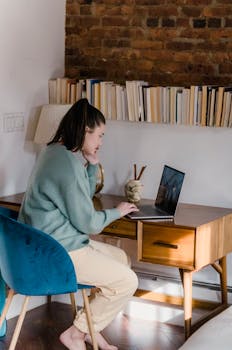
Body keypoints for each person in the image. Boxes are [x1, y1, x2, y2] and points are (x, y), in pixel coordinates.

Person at [18, 98, 139, 350]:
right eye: (100, 135)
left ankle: (90, 329)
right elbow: (88, 223)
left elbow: (78, 194)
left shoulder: (55, 152)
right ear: (85, 130)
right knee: (128, 281)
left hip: (49, 244)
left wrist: (92, 166)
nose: (101, 143)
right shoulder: (65, 163)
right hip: (58, 253)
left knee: (120, 259)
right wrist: (116, 211)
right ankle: (77, 332)